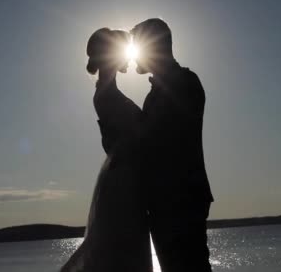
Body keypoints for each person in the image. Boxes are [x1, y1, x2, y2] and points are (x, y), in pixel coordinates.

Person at [60, 28, 153, 272]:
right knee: (122, 247)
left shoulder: (107, 91)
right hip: (122, 182)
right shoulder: (106, 94)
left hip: (126, 178)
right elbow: (133, 138)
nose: (129, 58)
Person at [132, 18, 214, 271]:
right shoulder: (158, 91)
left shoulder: (185, 82)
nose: (134, 58)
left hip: (181, 200)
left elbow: (151, 139)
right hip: (164, 202)